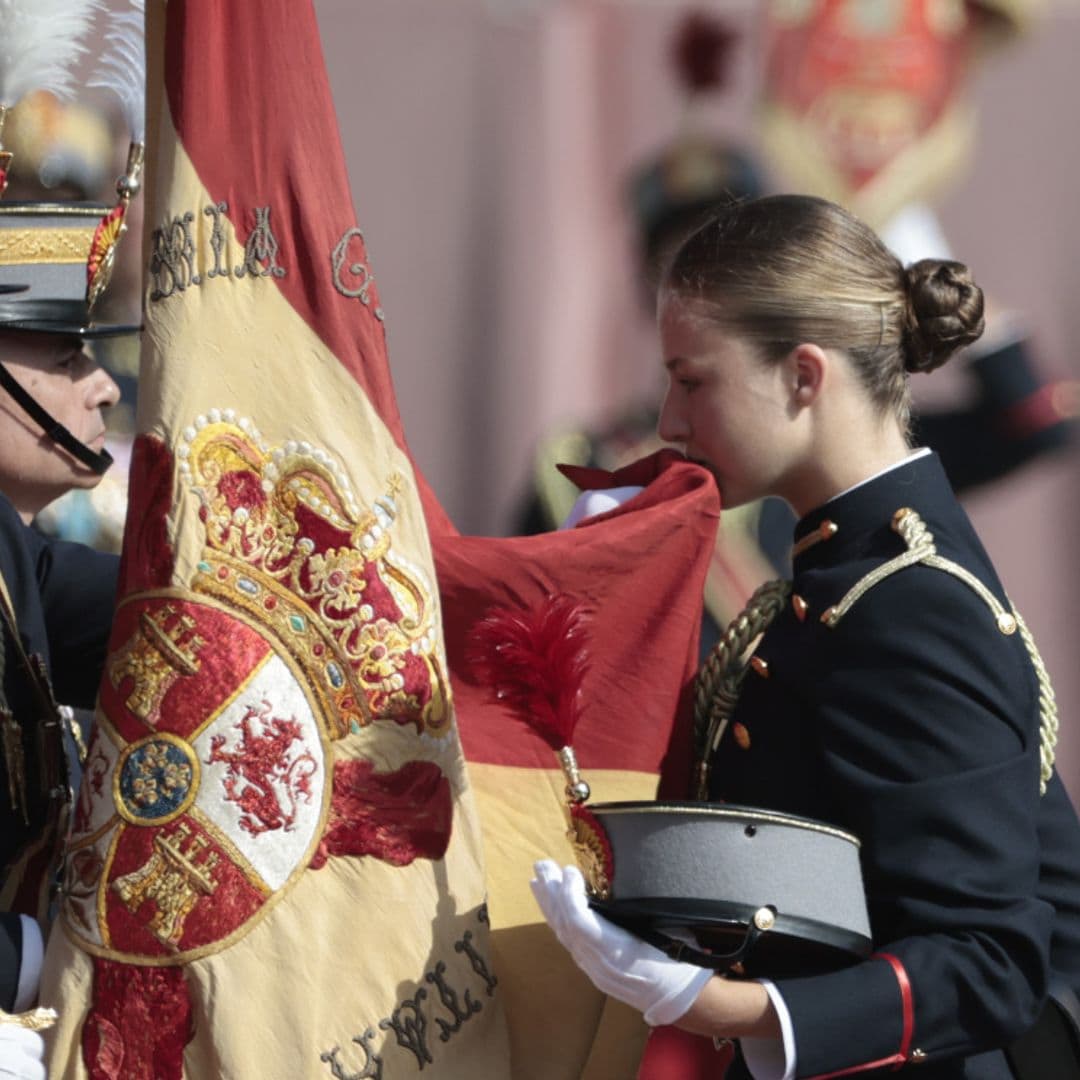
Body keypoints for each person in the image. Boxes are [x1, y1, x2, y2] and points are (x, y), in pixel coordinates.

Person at [531, 193, 1080, 1078]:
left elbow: (989, 963)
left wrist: (714, 1005)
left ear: (803, 377)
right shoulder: (843, 569)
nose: (670, 419)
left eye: (694, 379)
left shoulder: (909, 603)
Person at [0, 205, 130, 1077]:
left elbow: (183, 615)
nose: (105, 384)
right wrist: (36, 957)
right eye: (65, 356)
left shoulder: (17, 554)